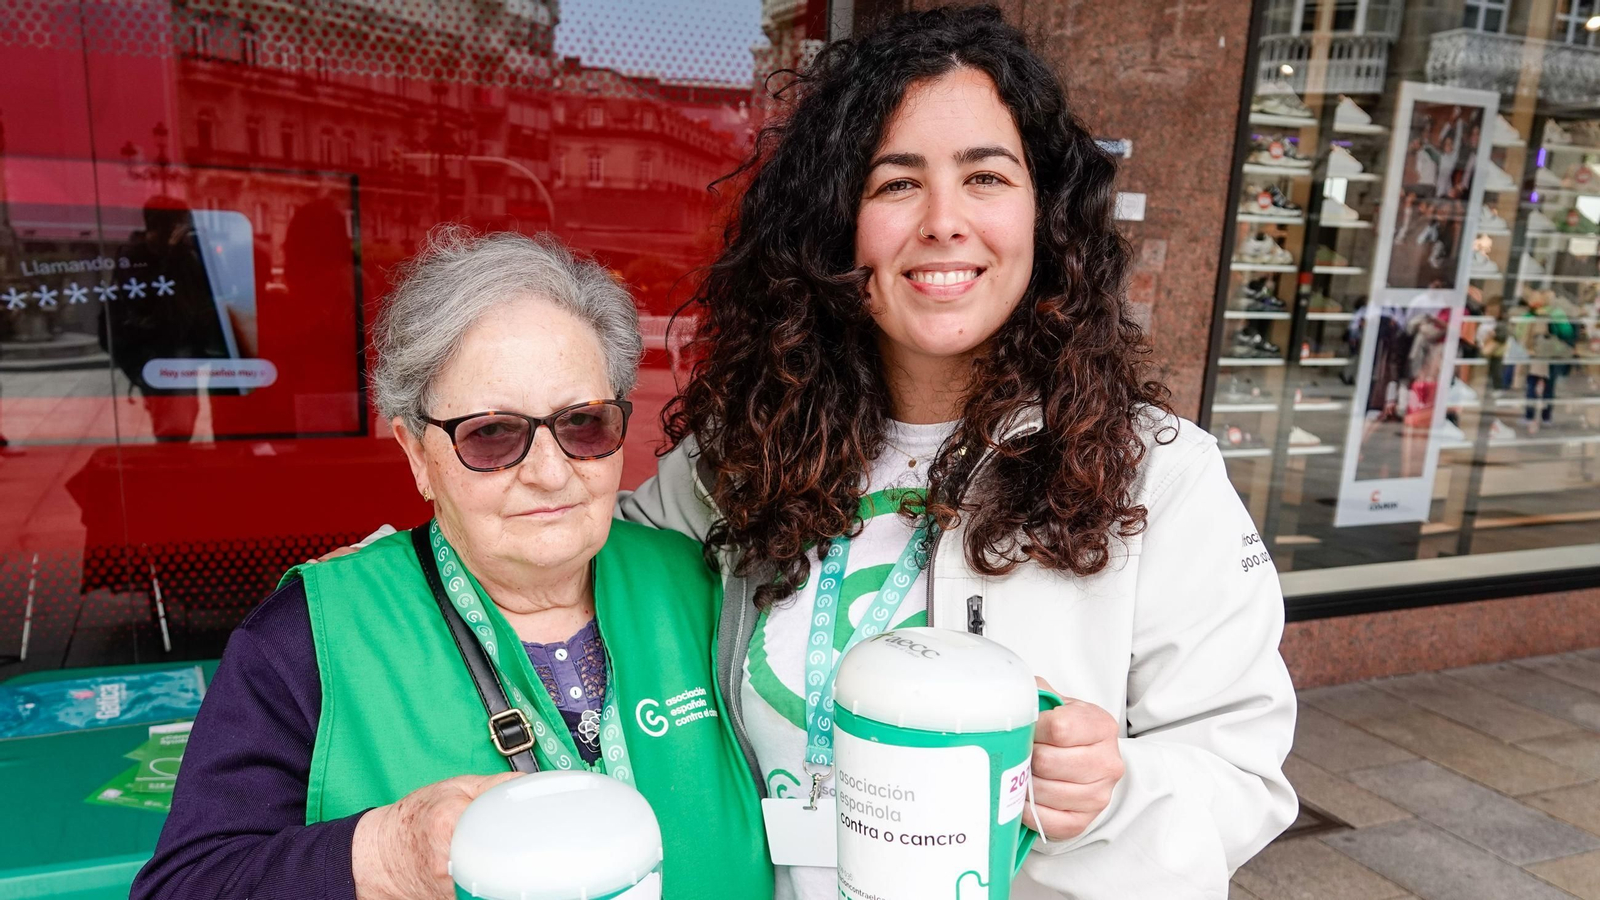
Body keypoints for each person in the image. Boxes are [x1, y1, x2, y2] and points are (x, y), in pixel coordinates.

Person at [619, 7, 1297, 898]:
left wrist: (1117, 789)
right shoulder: (742, 452)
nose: (944, 221)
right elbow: (569, 582)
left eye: (985, 176)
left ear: (1044, 211)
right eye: (897, 183)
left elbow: (1241, 775)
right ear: (836, 222)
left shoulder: (1158, 474)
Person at [132, 230, 773, 900]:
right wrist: (389, 854)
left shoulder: (709, 589)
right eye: (492, 434)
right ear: (416, 454)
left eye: (583, 424)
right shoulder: (311, 637)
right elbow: (184, 886)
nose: (550, 473)